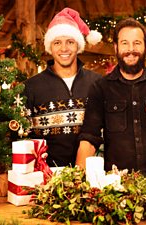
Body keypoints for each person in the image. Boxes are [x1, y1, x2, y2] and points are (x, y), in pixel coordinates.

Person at [76, 18, 146, 175]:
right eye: (124, 43)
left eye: (137, 43)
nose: (131, 49)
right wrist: (74, 181)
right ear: (115, 47)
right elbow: (89, 138)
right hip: (116, 184)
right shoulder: (100, 88)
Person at [24, 8, 102, 167]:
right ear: (50, 47)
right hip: (45, 179)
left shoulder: (97, 83)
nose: (64, 48)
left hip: (91, 177)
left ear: (78, 45)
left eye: (70, 42)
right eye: (57, 42)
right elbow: (23, 137)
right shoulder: (31, 87)